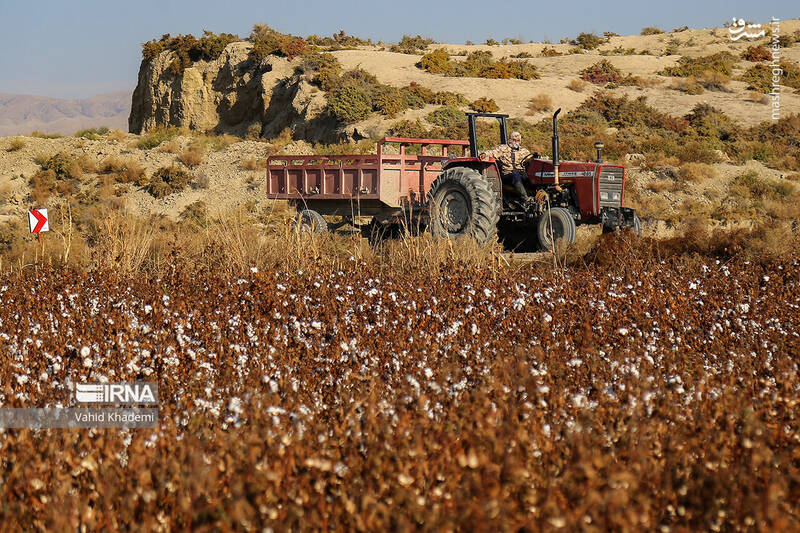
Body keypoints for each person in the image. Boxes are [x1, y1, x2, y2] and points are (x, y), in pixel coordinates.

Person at [479, 131, 531, 201]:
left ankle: (535, 196)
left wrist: (535, 157)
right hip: (508, 174)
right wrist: (485, 154)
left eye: (518, 140)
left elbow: (530, 159)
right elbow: (493, 152)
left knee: (528, 176)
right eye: (514, 140)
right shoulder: (503, 149)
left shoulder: (524, 151)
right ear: (510, 140)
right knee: (515, 176)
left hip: (520, 172)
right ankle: (525, 199)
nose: (516, 142)